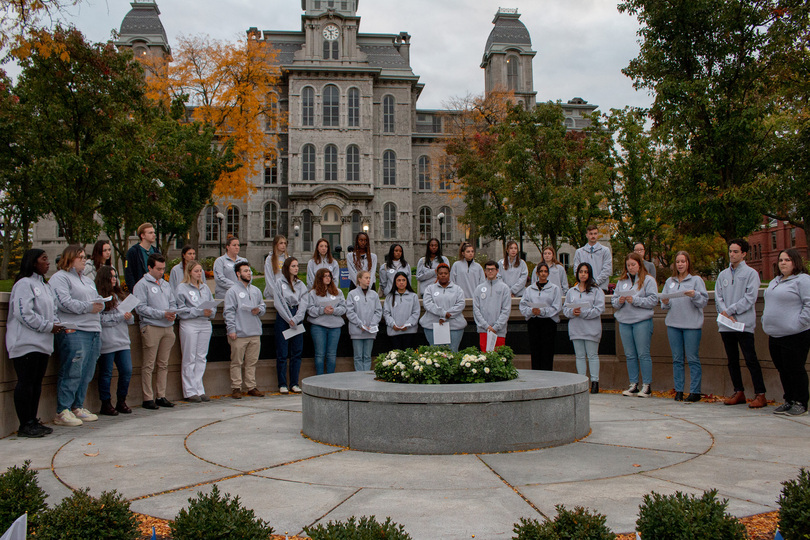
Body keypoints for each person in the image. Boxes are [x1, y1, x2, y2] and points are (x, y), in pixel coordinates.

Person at [7, 249, 65, 437]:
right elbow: (24, 313)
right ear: (33, 262)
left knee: (36, 384)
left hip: (43, 343)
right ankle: (25, 424)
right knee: (26, 382)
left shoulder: (45, 286)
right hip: (26, 343)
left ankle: (33, 420)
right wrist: (48, 326)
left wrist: (56, 324)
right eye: (44, 259)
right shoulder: (24, 284)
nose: (48, 263)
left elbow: (53, 310)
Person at [50, 245, 104, 426]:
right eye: (80, 257)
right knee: (72, 370)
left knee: (87, 371)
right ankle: (62, 409)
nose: (84, 260)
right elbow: (64, 303)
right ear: (70, 258)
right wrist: (89, 307)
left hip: (93, 329)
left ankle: (77, 406)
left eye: (84, 257)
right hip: (74, 329)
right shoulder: (60, 278)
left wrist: (100, 305)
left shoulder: (88, 280)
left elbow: (97, 300)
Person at [715, 238, 767, 408]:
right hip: (726, 325)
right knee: (732, 359)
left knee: (750, 359)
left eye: (736, 251)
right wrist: (724, 312)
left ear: (744, 254)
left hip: (743, 324)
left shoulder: (751, 274)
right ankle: (739, 392)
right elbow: (718, 297)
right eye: (730, 251)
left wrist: (730, 311)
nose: (732, 254)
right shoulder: (723, 274)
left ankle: (760, 394)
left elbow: (750, 298)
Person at [762, 248, 810, 416]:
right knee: (783, 369)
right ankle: (788, 399)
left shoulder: (803, 280)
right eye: (781, 260)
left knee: (795, 368)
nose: (783, 263)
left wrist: (799, 323)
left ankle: (801, 402)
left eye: (787, 260)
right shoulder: (775, 281)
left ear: (796, 262)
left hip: (796, 335)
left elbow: (808, 304)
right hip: (775, 335)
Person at [661, 251, 708, 402]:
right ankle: (679, 390)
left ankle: (695, 391)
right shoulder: (670, 281)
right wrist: (666, 302)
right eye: (678, 262)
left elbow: (703, 302)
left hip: (691, 326)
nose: (680, 264)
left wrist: (695, 295)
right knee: (677, 359)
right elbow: (663, 303)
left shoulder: (696, 280)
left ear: (688, 263)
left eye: (683, 261)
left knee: (693, 358)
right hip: (673, 325)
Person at [133, 253, 178, 410]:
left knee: (163, 364)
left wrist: (172, 312)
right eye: (158, 269)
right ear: (150, 267)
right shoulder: (141, 285)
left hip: (167, 326)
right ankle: (147, 397)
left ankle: (161, 395)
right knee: (149, 364)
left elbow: (173, 302)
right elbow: (140, 308)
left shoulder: (165, 284)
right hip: (151, 326)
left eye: (163, 269)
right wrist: (162, 314)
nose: (161, 272)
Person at [613, 252, 658, 398]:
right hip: (625, 321)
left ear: (639, 265)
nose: (631, 268)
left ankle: (647, 385)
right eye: (628, 265)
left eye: (633, 265)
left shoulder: (649, 280)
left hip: (641, 321)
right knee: (630, 354)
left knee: (643, 353)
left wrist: (636, 301)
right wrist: (618, 301)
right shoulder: (622, 281)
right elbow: (614, 300)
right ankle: (633, 384)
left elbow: (653, 300)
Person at [95, 265, 134, 416]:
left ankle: (121, 400)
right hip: (107, 341)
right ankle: (106, 403)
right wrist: (120, 316)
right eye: (111, 277)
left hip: (123, 340)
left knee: (127, 370)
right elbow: (102, 319)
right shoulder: (100, 297)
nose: (114, 279)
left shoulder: (120, 295)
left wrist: (128, 316)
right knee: (106, 373)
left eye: (115, 276)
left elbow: (128, 320)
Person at [224, 261, 266, 399]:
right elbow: (229, 312)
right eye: (245, 271)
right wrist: (231, 329)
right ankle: (236, 387)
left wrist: (258, 310)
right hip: (239, 333)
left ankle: (251, 386)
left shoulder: (256, 290)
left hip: (254, 332)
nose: (249, 273)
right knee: (237, 362)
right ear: (238, 274)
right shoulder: (232, 292)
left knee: (251, 362)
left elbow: (263, 306)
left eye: (249, 271)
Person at [175, 260, 216, 403]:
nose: (199, 273)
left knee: (201, 357)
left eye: (200, 271)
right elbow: (180, 309)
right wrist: (199, 311)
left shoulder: (205, 288)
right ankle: (189, 390)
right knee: (189, 357)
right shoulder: (182, 288)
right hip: (190, 324)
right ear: (189, 272)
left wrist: (210, 311)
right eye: (196, 271)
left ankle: (199, 388)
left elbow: (212, 304)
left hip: (205, 324)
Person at [563, 262, 605, 393]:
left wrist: (583, 313)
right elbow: (565, 309)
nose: (583, 274)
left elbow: (599, 309)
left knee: (592, 355)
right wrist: (572, 312)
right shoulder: (571, 291)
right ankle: (582, 382)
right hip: (576, 328)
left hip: (591, 328)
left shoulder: (596, 290)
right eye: (581, 272)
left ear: (590, 274)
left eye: (586, 272)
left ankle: (595, 382)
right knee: (579, 356)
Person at [273, 257, 308, 394]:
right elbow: (278, 302)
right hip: (283, 317)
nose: (296, 268)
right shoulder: (279, 282)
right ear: (287, 268)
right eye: (293, 266)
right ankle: (282, 383)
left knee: (296, 352)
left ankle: (294, 382)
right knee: (282, 352)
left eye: (297, 266)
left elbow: (304, 302)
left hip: (297, 315)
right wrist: (289, 319)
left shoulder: (300, 284)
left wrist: (297, 318)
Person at [520, 262, 562, 370]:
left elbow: (556, 307)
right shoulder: (529, 289)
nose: (543, 274)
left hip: (548, 323)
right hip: (534, 322)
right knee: (535, 351)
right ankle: (536, 376)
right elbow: (523, 306)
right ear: (537, 273)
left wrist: (542, 311)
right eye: (541, 271)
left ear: (548, 273)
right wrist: (532, 311)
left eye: (545, 271)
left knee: (547, 351)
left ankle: (548, 376)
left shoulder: (555, 289)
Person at [306, 268, 347, 374]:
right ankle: (319, 379)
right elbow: (310, 310)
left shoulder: (338, 292)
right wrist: (322, 310)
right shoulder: (313, 293)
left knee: (332, 355)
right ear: (320, 278)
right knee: (320, 354)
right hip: (318, 327)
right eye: (325, 276)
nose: (328, 278)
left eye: (329, 276)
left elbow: (343, 308)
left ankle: (330, 379)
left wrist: (334, 310)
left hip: (335, 327)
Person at [421, 263, 466, 352]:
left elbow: (460, 304)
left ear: (449, 274)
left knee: (453, 352)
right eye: (440, 273)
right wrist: (443, 313)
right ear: (437, 275)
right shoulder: (430, 289)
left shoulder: (457, 289)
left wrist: (445, 316)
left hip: (454, 327)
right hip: (433, 326)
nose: (443, 275)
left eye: (445, 273)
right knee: (436, 353)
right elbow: (428, 304)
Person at [346, 270, 382, 371]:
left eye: (369, 278)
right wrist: (360, 324)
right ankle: (359, 378)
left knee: (367, 356)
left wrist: (372, 324)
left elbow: (378, 311)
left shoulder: (374, 295)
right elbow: (350, 312)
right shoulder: (352, 294)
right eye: (366, 278)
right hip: (357, 331)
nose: (368, 280)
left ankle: (366, 377)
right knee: (358, 357)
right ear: (359, 279)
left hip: (370, 331)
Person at [475, 260, 512, 352]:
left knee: (498, 358)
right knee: (484, 358)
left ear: (497, 271)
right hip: (484, 330)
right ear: (485, 271)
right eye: (488, 269)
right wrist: (486, 326)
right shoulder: (479, 288)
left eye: (492, 269)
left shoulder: (504, 288)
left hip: (498, 331)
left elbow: (506, 310)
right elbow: (476, 309)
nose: (490, 272)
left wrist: (496, 327)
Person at [383, 271, 420, 350]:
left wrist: (407, 325)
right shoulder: (389, 297)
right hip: (394, 332)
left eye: (403, 280)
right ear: (395, 282)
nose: (401, 282)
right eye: (399, 280)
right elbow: (386, 313)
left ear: (407, 281)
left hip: (409, 332)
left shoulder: (413, 296)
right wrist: (393, 324)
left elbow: (416, 313)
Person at [573, 225, 612, 292]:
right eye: (591, 234)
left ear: (598, 235)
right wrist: (586, 282)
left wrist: (596, 282)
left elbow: (607, 269)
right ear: (586, 235)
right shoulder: (579, 252)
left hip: (601, 288)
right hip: (584, 288)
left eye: (595, 233)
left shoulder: (605, 250)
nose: (593, 236)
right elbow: (576, 270)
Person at [125, 223, 158, 292]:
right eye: (150, 233)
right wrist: (134, 290)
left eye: (154, 232)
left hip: (154, 289)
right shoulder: (133, 252)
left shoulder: (156, 251)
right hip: (140, 290)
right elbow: (129, 273)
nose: (154, 235)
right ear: (142, 235)